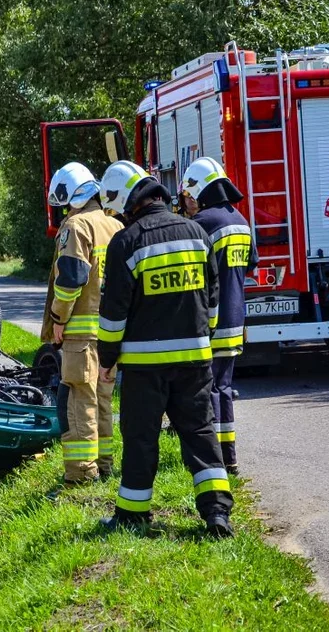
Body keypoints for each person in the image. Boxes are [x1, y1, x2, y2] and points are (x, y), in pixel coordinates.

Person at [96, 161, 234, 537]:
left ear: (127, 201)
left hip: (145, 368)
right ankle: (217, 513)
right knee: (200, 433)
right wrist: (203, 336)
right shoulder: (196, 232)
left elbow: (113, 316)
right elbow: (213, 299)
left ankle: (132, 515)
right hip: (195, 360)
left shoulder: (126, 242)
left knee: (141, 439)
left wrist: (107, 359)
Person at [41, 162, 124, 485]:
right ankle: (104, 464)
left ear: (69, 196)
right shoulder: (113, 224)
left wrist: (59, 318)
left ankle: (80, 473)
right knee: (103, 398)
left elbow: (71, 279)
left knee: (79, 399)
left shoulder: (76, 227)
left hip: (80, 332)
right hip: (110, 331)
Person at [180, 158, 258, 475]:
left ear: (200, 190)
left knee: (206, 389)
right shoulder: (241, 220)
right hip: (236, 318)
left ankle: (212, 462)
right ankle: (229, 458)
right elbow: (251, 266)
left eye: (189, 194)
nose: (187, 202)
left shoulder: (203, 223)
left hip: (209, 321)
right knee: (223, 388)